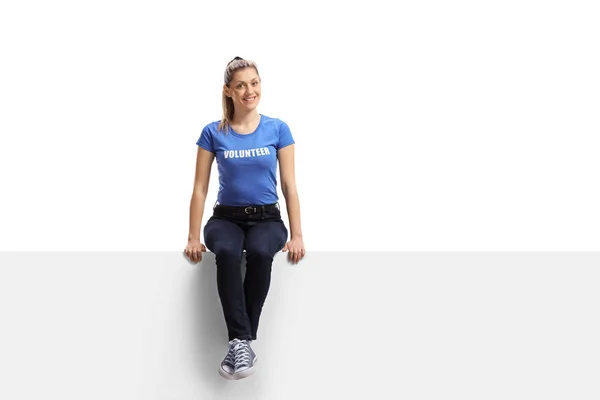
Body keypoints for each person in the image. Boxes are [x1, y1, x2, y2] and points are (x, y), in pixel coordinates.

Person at [184, 56, 305, 380]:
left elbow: (290, 185)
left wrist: (297, 234)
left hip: (267, 218)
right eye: (240, 85)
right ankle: (242, 341)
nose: (249, 90)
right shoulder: (213, 132)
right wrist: (193, 236)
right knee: (226, 252)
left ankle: (240, 341)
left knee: (262, 252)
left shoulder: (278, 129)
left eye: (254, 83)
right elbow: (199, 189)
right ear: (228, 91)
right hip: (226, 218)